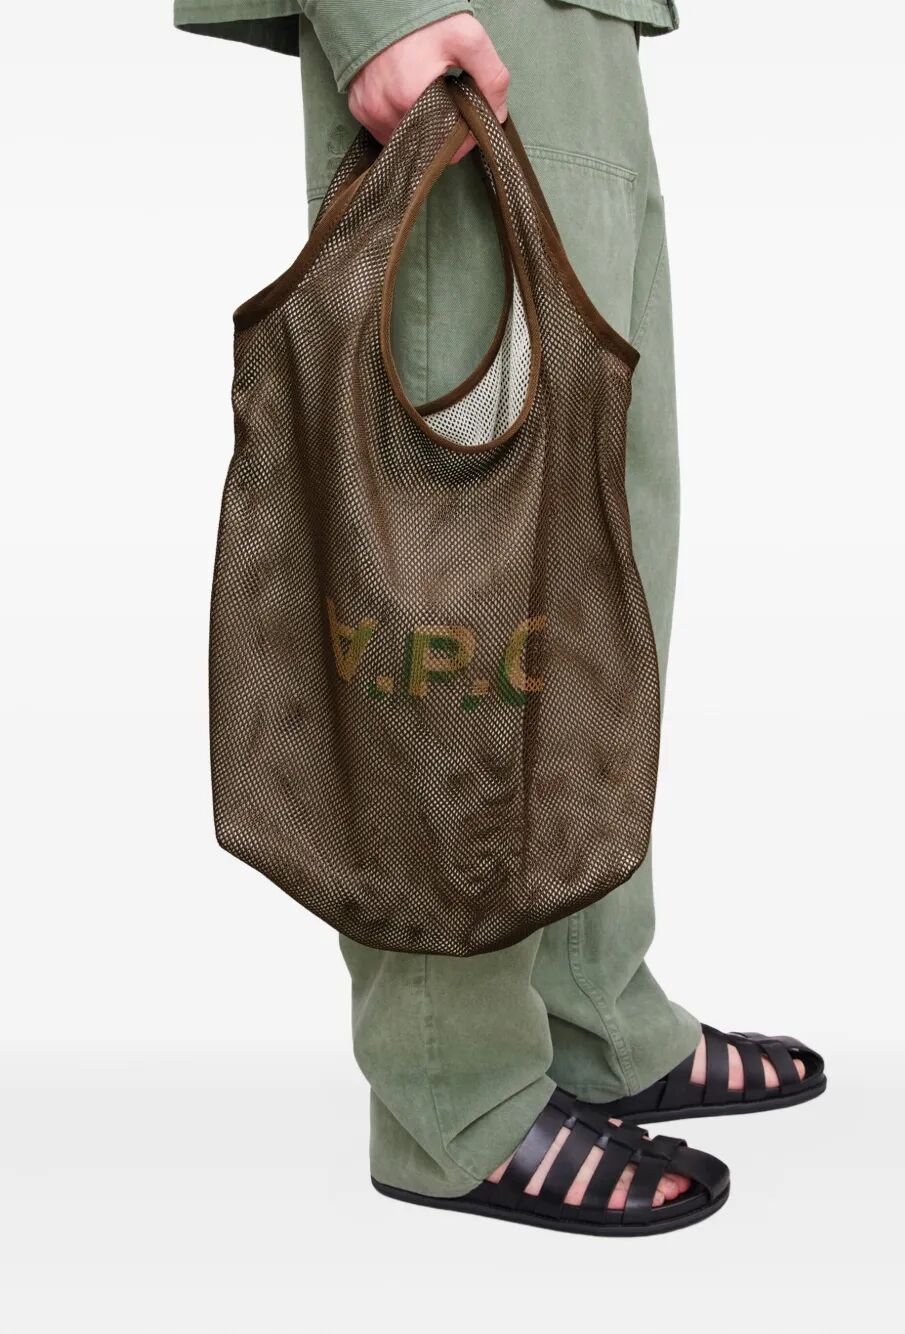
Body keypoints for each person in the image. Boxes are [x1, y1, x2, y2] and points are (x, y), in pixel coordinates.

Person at [175, 0, 826, 1236]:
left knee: (596, 545)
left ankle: (590, 1010)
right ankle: (455, 1090)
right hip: (453, 14)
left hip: (593, 27)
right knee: (452, 582)